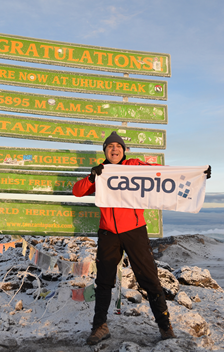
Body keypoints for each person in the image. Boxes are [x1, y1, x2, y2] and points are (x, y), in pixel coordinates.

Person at [72, 131, 211, 345]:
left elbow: (163, 175)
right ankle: (99, 327)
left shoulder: (135, 166)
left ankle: (165, 327)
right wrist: (92, 177)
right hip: (108, 232)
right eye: (110, 147)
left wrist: (196, 175)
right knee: (103, 282)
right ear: (105, 151)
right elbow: (77, 191)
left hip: (135, 231)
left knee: (149, 279)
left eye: (118, 146)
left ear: (124, 150)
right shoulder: (101, 172)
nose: (114, 149)